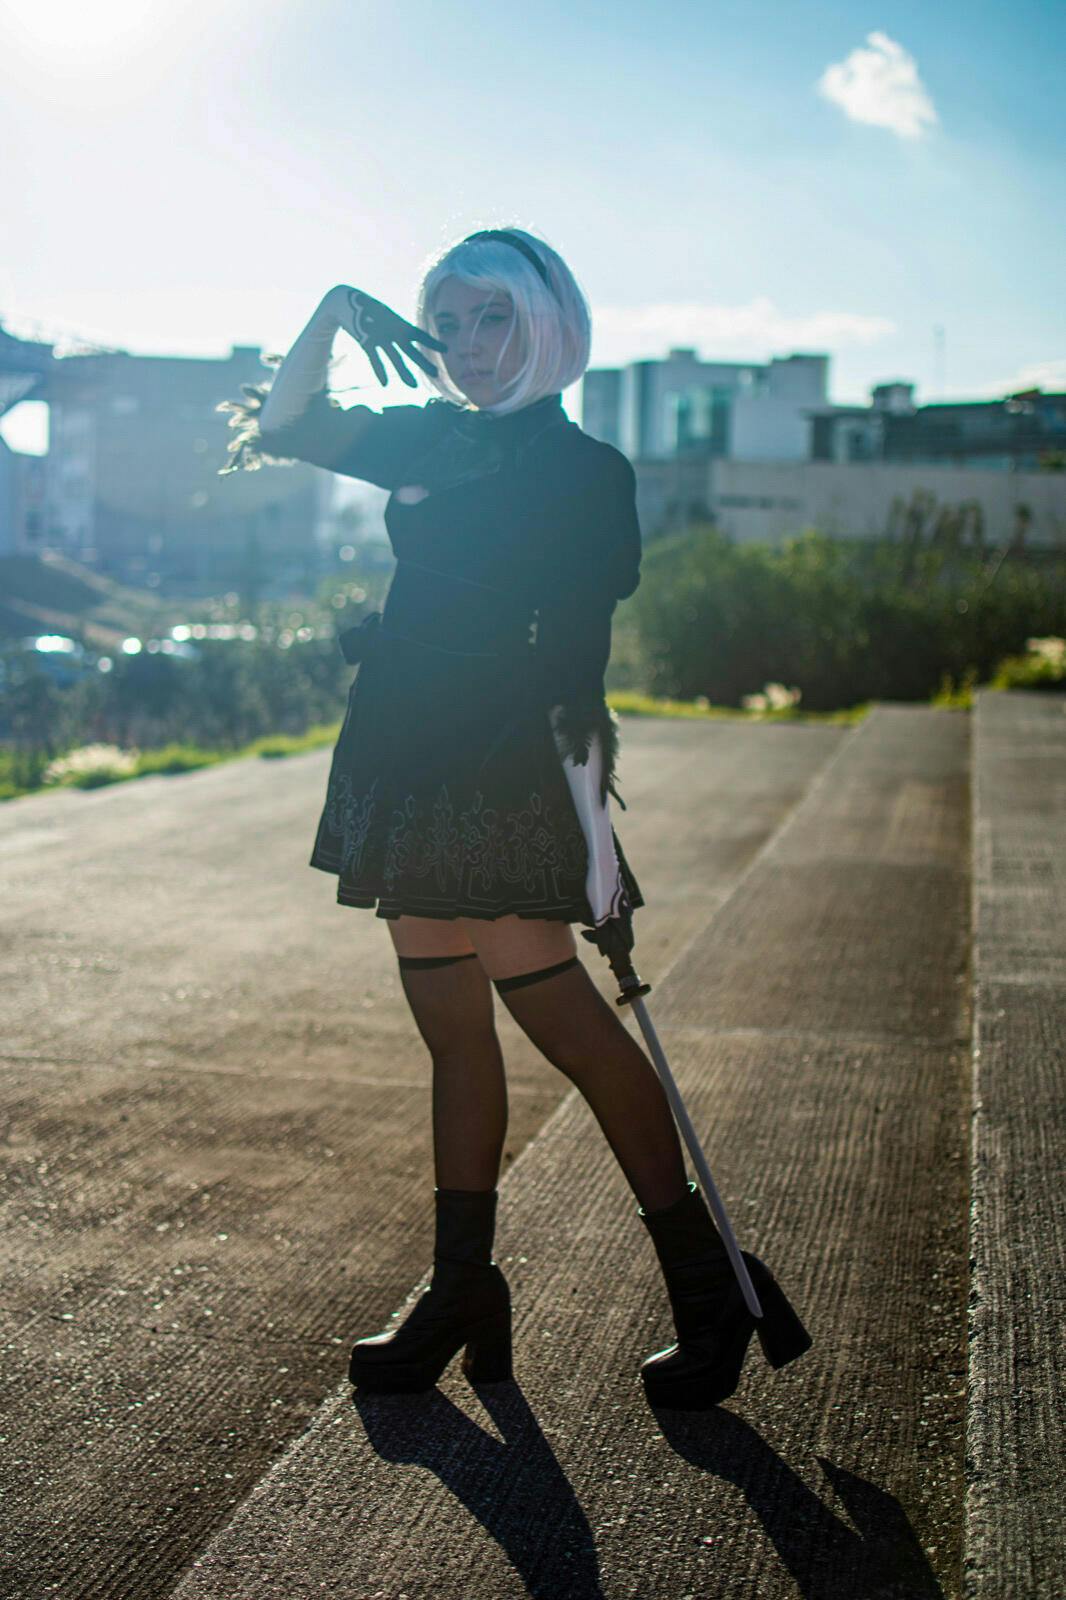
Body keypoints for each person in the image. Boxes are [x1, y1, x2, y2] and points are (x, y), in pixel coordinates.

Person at [218, 226, 810, 1410]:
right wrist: (334, 309)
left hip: (497, 782)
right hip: (402, 764)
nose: (468, 346)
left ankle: (707, 1286)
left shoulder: (585, 472)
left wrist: (594, 841)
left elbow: (578, 671)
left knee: (576, 1034)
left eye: (491, 319)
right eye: (447, 324)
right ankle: (461, 1290)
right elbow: (286, 424)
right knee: (453, 1036)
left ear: (546, 323)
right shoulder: (429, 434)